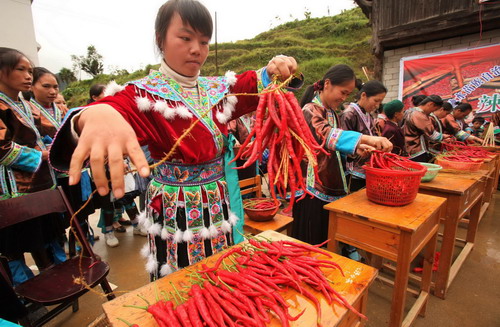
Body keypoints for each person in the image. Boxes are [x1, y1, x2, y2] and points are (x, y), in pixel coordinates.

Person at [50, 0, 302, 279]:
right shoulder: (143, 95)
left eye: (204, 41)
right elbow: (112, 109)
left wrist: (276, 68)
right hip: (175, 205)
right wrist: (92, 115)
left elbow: (253, 83)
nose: (197, 49)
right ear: (160, 39)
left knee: (222, 275)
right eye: (185, 38)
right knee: (182, 281)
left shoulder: (216, 89)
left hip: (218, 199)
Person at [291, 64, 392, 257]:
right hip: (313, 186)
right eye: (343, 92)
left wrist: (357, 150)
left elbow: (334, 148)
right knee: (311, 242)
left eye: (347, 95)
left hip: (331, 181)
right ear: (327, 84)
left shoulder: (332, 113)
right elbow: (325, 135)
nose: (344, 98)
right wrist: (364, 138)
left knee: (325, 237)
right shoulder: (310, 109)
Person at [0, 48, 61, 286]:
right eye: (21, 69)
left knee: (42, 236)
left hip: (39, 183)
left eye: (30, 71)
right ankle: (23, 290)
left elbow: (55, 128)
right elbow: (2, 151)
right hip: (12, 190)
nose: (28, 76)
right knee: (14, 246)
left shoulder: (25, 105)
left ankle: (51, 278)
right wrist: (42, 155)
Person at [340, 80, 388, 191]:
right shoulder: (349, 114)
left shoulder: (368, 115)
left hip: (367, 167)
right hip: (353, 171)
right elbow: (343, 143)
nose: (377, 105)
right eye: (376, 100)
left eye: (380, 102)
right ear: (363, 95)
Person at [404, 95, 445, 162]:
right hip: (416, 150)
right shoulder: (420, 115)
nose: (432, 112)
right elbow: (432, 135)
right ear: (430, 104)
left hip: (407, 148)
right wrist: (444, 137)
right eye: (434, 109)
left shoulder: (409, 111)